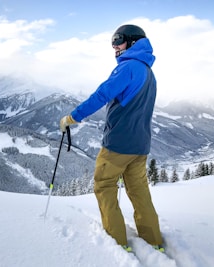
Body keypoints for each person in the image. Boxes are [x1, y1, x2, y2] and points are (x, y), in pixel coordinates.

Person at [59, 24, 164, 252]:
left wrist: (72, 117)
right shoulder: (148, 72)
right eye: (113, 42)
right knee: (139, 191)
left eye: (118, 40)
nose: (114, 46)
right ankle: (154, 240)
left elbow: (102, 94)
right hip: (140, 145)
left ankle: (117, 243)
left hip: (118, 145)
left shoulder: (127, 68)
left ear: (133, 42)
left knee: (104, 185)